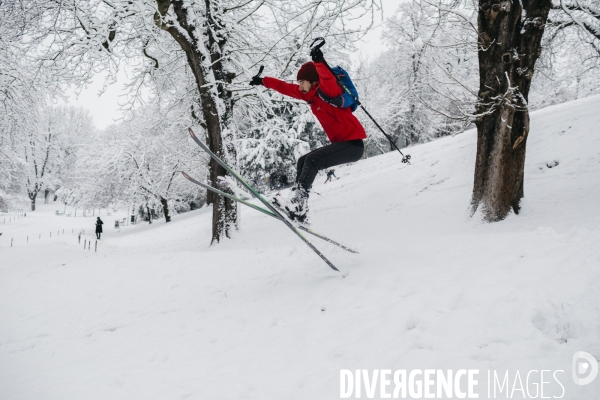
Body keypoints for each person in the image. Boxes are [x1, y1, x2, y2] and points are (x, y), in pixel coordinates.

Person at [250, 46, 366, 223]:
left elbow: (326, 77)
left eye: (303, 81)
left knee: (313, 161)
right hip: (342, 144)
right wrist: (263, 81)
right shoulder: (309, 96)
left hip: (353, 144)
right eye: (299, 82)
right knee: (303, 160)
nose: (300, 85)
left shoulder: (328, 91)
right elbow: (284, 87)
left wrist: (318, 61)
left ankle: (297, 202)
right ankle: (299, 208)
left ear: (313, 81)